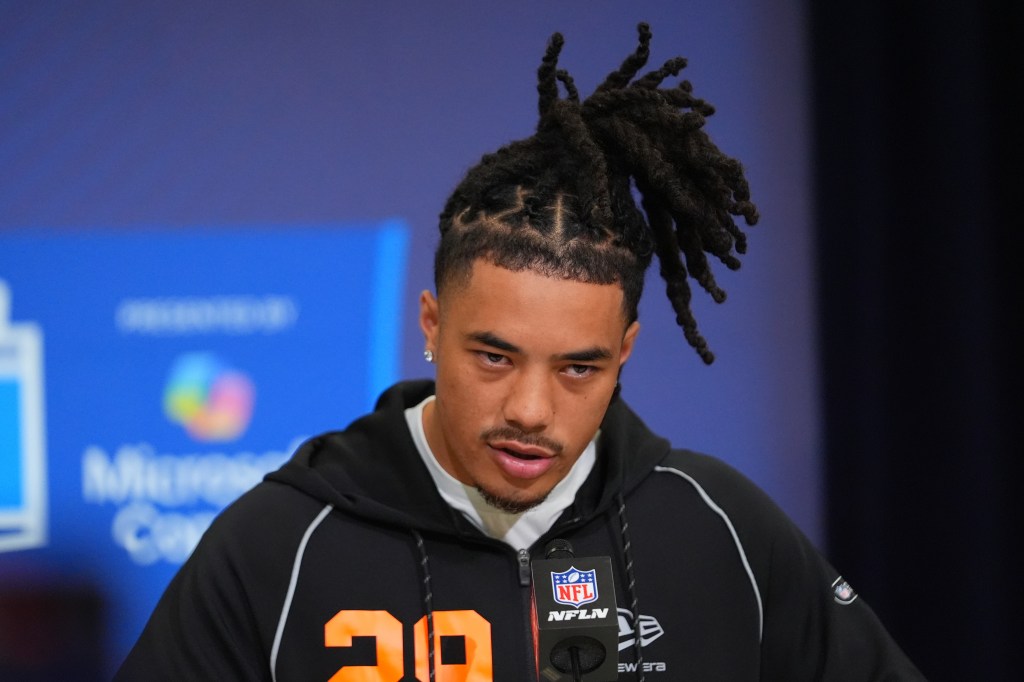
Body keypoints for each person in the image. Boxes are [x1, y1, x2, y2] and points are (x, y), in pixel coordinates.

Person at [117, 24, 924, 681]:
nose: (531, 412)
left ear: (626, 351)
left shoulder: (720, 529)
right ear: (430, 324)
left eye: (580, 367)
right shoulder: (279, 544)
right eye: (494, 357)